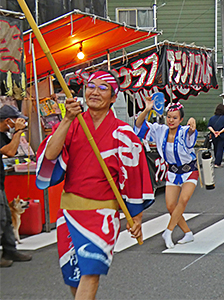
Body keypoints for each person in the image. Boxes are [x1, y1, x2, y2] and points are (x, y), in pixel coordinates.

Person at [36, 71, 154, 299]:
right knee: (73, 276)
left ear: (113, 97)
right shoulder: (72, 125)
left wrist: (136, 217)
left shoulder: (123, 133)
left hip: (102, 215)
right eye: (91, 86)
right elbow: (50, 155)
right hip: (69, 214)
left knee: (91, 272)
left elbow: (135, 176)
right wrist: (67, 119)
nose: (95, 92)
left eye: (103, 88)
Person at [135, 100, 197, 249]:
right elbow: (138, 126)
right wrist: (147, 110)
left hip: (189, 170)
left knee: (183, 199)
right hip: (173, 172)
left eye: (175, 118)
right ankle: (188, 233)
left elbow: (190, 133)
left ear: (181, 119)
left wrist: (193, 125)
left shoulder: (184, 131)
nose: (171, 120)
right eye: (169, 117)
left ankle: (168, 232)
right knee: (170, 206)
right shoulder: (159, 130)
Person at [0, 105, 32, 268]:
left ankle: (10, 250)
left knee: (6, 217)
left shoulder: (2, 134)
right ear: (8, 120)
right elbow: (11, 151)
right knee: (1, 218)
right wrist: (18, 132)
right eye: (14, 121)